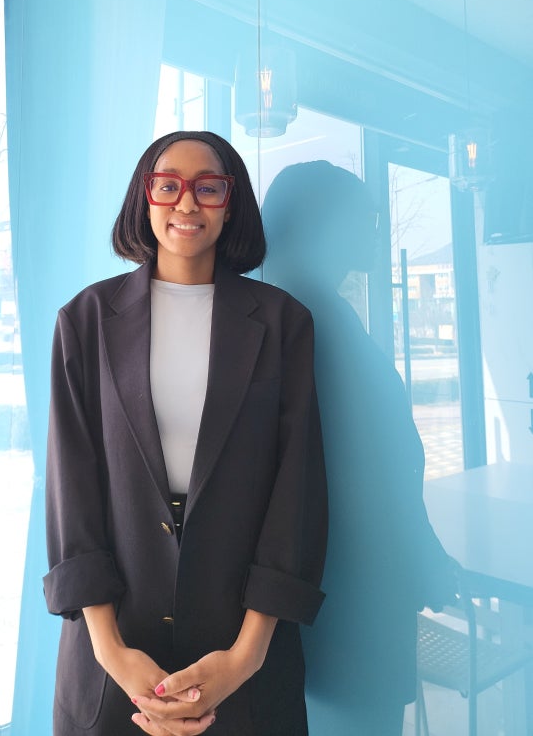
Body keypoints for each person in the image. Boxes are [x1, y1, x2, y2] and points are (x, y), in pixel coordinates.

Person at [43, 131, 328, 736]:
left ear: (231, 202)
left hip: (244, 647)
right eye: (168, 185)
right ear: (144, 197)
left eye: (209, 188)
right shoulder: (86, 320)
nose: (187, 203)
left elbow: (296, 492)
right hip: (113, 652)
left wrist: (244, 657)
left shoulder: (283, 323)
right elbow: (72, 489)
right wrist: (111, 652)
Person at [262, 161, 458, 736]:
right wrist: (423, 560)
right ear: (318, 224)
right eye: (365, 219)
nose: (377, 232)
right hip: (351, 608)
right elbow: (367, 482)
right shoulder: (310, 322)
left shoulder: (293, 310)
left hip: (322, 608)